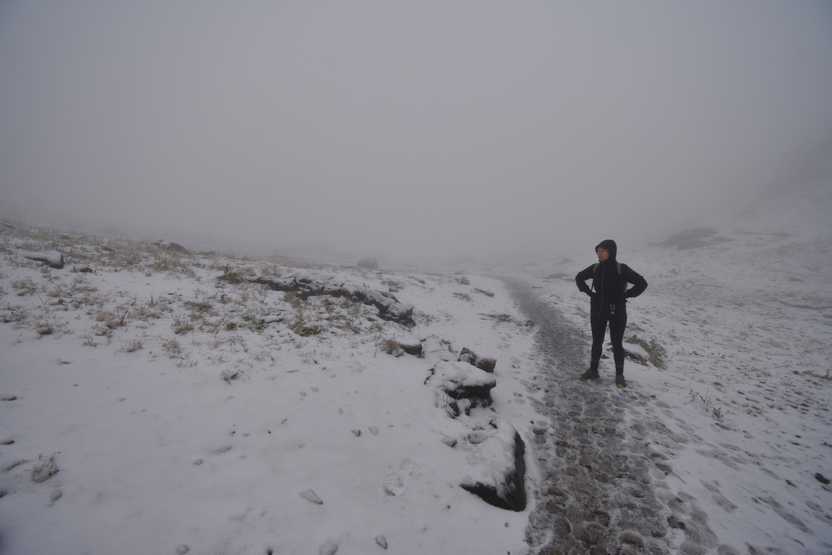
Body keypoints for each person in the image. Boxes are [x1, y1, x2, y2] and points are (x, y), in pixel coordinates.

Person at [574, 239, 647, 387]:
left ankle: (619, 375)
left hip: (617, 310)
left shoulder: (621, 269)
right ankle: (593, 370)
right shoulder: (595, 268)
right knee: (597, 341)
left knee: (617, 343)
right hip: (598, 309)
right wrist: (589, 293)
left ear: (611, 252)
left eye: (602, 251)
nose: (599, 254)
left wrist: (626, 295)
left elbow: (642, 283)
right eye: (598, 251)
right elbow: (579, 277)